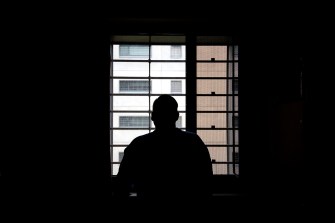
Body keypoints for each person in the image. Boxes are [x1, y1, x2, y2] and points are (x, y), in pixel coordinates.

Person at [114, 94, 213, 207]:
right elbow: (206, 182)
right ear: (176, 116)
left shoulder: (138, 144)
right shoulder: (194, 142)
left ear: (152, 116)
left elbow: (121, 184)